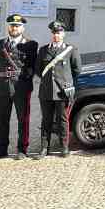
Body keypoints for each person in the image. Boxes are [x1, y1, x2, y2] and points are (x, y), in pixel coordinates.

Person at [0, 14, 38, 160]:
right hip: (2, 87)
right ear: (8, 27)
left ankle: (22, 149)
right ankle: (1, 149)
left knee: (23, 119)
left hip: (20, 87)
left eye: (17, 26)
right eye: (12, 25)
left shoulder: (31, 44)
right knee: (2, 119)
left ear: (23, 28)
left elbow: (32, 67)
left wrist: (25, 80)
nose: (14, 28)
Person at [35, 21, 81, 158]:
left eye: (59, 32)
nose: (56, 35)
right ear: (51, 34)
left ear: (64, 33)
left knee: (63, 120)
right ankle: (44, 148)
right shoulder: (43, 50)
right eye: (54, 33)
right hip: (46, 91)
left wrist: (66, 82)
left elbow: (77, 70)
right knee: (46, 120)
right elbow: (38, 70)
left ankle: (64, 147)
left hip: (63, 92)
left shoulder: (71, 50)